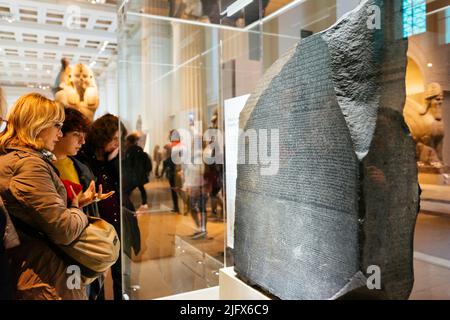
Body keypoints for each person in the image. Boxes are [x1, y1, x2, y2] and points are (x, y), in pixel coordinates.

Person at [0, 93, 90, 300]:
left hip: (36, 272)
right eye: (57, 126)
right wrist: (77, 210)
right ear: (38, 125)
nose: (60, 134)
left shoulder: (12, 158)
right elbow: (64, 229)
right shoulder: (29, 165)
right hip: (47, 279)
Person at [77, 114, 140, 300]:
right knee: (98, 273)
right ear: (102, 136)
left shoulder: (112, 157)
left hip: (117, 218)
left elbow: (126, 185)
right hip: (96, 223)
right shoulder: (84, 156)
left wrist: (114, 161)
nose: (116, 143)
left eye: (118, 139)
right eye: (113, 138)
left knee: (121, 269)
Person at [52, 107, 113, 300]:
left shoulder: (80, 166)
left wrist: (87, 200)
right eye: (76, 135)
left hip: (83, 244)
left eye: (83, 135)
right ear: (59, 133)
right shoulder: (42, 169)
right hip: (60, 251)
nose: (82, 141)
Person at [124, 132, 152, 211]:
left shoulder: (130, 150)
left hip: (134, 175)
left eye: (126, 141)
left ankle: (128, 206)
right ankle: (144, 203)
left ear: (129, 141)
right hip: (140, 175)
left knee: (126, 191)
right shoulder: (139, 149)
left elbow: (129, 164)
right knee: (141, 188)